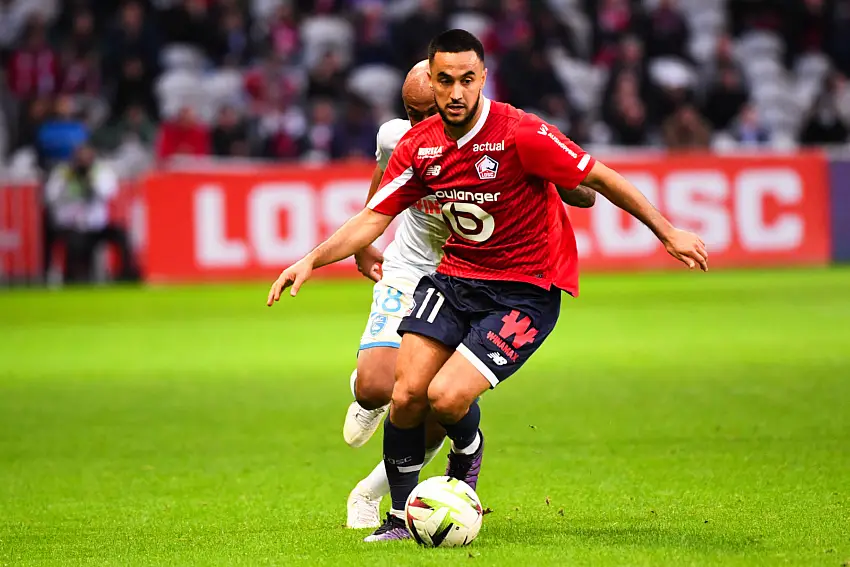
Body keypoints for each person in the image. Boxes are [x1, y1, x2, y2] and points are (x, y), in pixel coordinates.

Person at [267, 30, 707, 542]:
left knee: (446, 398)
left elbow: (600, 179)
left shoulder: (521, 132)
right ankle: (400, 519)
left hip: (524, 289)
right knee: (405, 394)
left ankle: (467, 452)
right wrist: (312, 259)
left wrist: (667, 232)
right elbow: (372, 216)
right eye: (445, 81)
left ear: (482, 79)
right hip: (455, 278)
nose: (455, 93)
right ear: (433, 83)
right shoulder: (416, 144)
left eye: (466, 80)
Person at [343, 60, 598, 530]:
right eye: (413, 112)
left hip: (472, 273)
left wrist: (558, 178)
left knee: (436, 401)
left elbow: (584, 192)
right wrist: (362, 245)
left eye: (430, 111)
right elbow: (383, 182)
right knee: (379, 386)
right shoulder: (397, 138)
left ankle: (373, 495)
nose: (423, 122)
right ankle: (368, 399)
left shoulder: (499, 136)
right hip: (412, 268)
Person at [44, 143, 140, 283]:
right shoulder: (63, 172)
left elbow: (109, 193)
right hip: (71, 225)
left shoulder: (100, 171)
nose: (84, 161)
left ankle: (127, 275)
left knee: (121, 234)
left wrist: (91, 180)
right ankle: (74, 278)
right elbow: (49, 196)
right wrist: (66, 180)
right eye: (81, 157)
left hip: (96, 226)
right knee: (74, 241)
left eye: (87, 157)